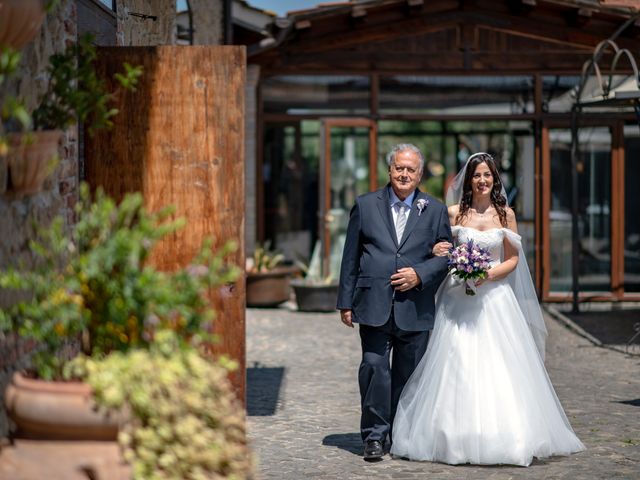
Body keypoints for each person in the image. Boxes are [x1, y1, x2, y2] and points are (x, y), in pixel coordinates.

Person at [391, 152, 585, 466]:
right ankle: (450, 436)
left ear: (494, 179)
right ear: (468, 180)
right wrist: (441, 251)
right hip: (457, 301)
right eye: (477, 175)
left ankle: (505, 435)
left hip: (495, 300)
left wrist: (485, 274)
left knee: (501, 366)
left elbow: (512, 259)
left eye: (487, 175)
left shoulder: (505, 214)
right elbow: (440, 247)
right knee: (456, 364)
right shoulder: (454, 212)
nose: (482, 181)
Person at [336, 143, 452, 461]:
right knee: (374, 368)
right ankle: (373, 437)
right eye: (399, 167)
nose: (404, 173)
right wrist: (345, 301)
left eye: (410, 169)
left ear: (420, 174)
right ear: (389, 170)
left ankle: (399, 434)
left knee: (408, 375)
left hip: (415, 306)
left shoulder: (436, 209)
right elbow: (351, 257)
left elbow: (446, 256)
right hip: (373, 302)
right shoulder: (365, 205)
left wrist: (420, 273)